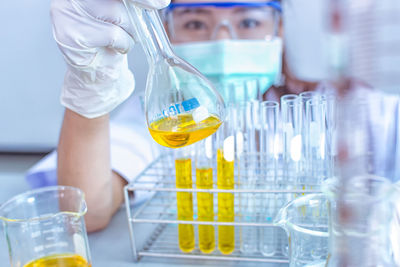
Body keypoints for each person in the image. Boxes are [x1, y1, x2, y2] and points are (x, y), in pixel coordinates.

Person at [27, 0, 284, 232]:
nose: (223, 42)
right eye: (195, 23)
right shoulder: (159, 121)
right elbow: (88, 212)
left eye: (249, 22)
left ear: (280, 29)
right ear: (167, 30)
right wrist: (89, 89)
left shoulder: (312, 113)